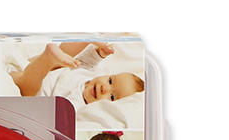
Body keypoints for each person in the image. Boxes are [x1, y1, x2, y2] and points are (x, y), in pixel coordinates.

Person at [8, 42, 143, 109]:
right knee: (71, 60)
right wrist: (100, 53)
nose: (104, 88)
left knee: (28, 85)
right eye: (110, 81)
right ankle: (87, 38)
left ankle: (48, 58)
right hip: (44, 69)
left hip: (33, 91)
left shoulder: (81, 106)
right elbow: (88, 62)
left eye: (112, 97)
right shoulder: (91, 75)